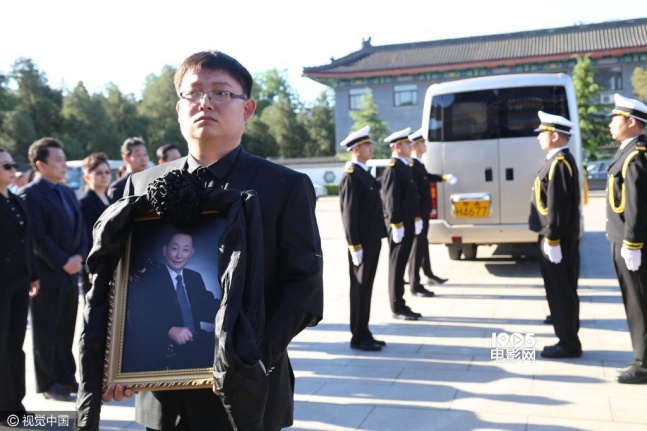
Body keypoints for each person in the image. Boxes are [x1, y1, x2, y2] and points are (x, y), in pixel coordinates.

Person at [77, 50, 323, 431]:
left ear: (248, 108)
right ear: (179, 108)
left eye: (222, 92)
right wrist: (117, 357)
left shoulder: (284, 186)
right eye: (194, 93)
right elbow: (123, 283)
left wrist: (256, 358)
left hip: (247, 389)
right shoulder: (138, 186)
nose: (205, 102)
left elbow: (303, 286)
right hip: (159, 389)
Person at [19, 137, 87, 401]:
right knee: (46, 330)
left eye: (63, 159)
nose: (63, 165)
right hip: (48, 274)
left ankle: (67, 377)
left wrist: (79, 256)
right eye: (57, 160)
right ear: (40, 164)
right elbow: (38, 237)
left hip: (71, 273)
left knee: (66, 328)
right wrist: (63, 262)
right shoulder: (31, 194)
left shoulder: (67, 191)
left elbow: (80, 227)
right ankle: (49, 383)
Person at [123, 231, 219, 372]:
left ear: (191, 252)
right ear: (165, 250)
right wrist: (168, 330)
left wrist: (222, 315)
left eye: (185, 249)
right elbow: (138, 319)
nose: (179, 255)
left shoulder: (194, 277)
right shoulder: (149, 280)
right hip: (165, 347)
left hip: (197, 341)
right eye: (175, 248)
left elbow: (205, 306)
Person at [528, 111, 582, 359]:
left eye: (542, 133)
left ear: (555, 135)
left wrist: (552, 239)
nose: (539, 137)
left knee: (561, 290)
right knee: (560, 289)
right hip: (556, 236)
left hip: (557, 238)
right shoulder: (557, 161)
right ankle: (566, 337)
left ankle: (568, 343)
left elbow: (558, 206)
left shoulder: (560, 163)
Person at [606, 93, 647, 384]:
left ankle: (643, 364)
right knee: (634, 301)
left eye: (614, 118)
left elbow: (636, 204)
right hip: (622, 239)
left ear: (631, 122)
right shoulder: (627, 152)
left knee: (640, 302)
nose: (610, 124)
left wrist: (632, 244)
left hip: (631, 243)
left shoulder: (636, 155)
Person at [339, 126, 387, 351]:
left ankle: (364, 331)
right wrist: (354, 245)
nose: (371, 148)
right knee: (359, 288)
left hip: (371, 240)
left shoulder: (364, 172)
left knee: (367, 288)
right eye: (367, 145)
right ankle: (357, 337)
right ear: (356, 149)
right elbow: (349, 214)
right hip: (362, 243)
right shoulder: (351, 176)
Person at [0, 148, 39, 424]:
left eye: (13, 164)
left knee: (16, 345)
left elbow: (27, 242)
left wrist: (33, 274)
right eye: (6, 165)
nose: (13, 168)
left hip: (19, 281)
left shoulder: (15, 199)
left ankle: (15, 403)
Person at [381, 127, 423, 320]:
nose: (410, 146)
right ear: (397, 147)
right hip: (399, 227)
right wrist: (396, 225)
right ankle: (397, 306)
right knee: (397, 268)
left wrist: (415, 219)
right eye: (407, 144)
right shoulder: (393, 168)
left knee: (401, 265)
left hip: (407, 224)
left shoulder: (404, 166)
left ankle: (401, 302)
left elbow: (409, 198)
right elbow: (391, 201)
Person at [407, 128, 454, 296]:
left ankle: (428, 273)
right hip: (418, 214)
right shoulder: (412, 164)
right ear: (415, 146)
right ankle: (415, 283)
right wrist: (417, 216)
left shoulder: (418, 163)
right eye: (422, 143)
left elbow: (426, 177)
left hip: (423, 212)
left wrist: (443, 178)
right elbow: (414, 193)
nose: (425, 145)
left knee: (422, 245)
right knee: (416, 248)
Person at [79, 152, 114, 296]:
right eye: (99, 173)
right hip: (94, 266)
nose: (104, 175)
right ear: (87, 177)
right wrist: (90, 267)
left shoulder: (112, 201)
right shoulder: (85, 203)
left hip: (111, 262)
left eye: (107, 172)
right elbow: (85, 237)